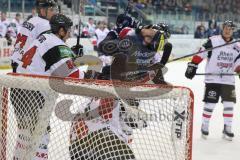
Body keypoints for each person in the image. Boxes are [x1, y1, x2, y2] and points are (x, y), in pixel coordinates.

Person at [69, 21, 173, 159]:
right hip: (110, 86)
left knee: (125, 127)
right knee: (100, 120)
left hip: (129, 93)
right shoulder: (131, 37)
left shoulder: (153, 52)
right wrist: (118, 32)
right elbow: (107, 47)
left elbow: (153, 73)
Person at [185, 20, 240, 141]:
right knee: (210, 103)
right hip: (212, 78)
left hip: (228, 79)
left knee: (229, 104)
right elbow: (202, 52)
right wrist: (193, 65)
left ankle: (228, 127)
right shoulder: (213, 40)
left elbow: (237, 62)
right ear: (222, 28)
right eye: (226, 28)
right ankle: (205, 125)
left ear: (233, 31)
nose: (227, 30)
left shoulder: (238, 45)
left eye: (230, 29)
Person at [11, 0, 59, 73]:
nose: (55, 13)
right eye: (51, 10)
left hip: (16, 61)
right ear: (42, 11)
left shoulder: (31, 20)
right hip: (28, 67)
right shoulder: (46, 25)